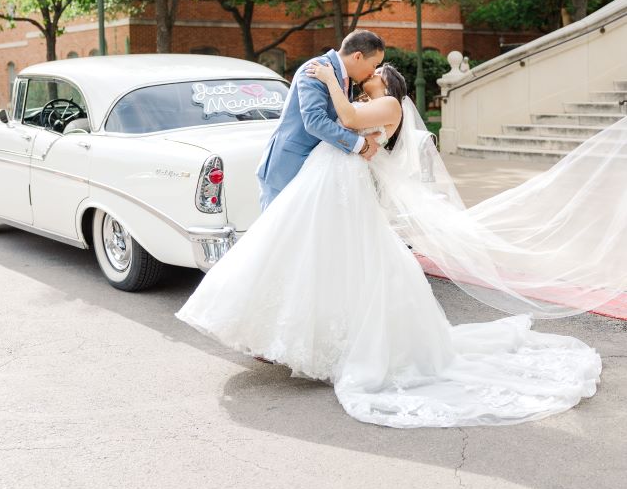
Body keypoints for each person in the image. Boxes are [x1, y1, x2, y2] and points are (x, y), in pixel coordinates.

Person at [176, 61, 606, 429]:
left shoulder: (387, 105)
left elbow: (343, 117)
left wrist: (327, 79)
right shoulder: (375, 103)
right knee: (326, 260)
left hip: (342, 185)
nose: (371, 75)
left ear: (390, 84)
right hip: (333, 183)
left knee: (351, 262)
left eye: (377, 72)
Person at [255, 30, 385, 211]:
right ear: (357, 56)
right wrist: (361, 145)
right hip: (289, 166)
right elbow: (314, 121)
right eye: (374, 64)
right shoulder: (316, 69)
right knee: (279, 232)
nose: (373, 72)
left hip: (314, 170)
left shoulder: (342, 77)